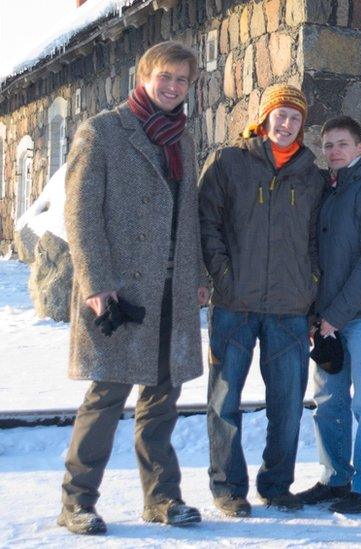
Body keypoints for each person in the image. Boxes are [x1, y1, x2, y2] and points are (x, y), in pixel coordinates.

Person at [60, 40, 206, 535]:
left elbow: (187, 217)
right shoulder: (101, 131)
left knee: (162, 398)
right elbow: (79, 215)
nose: (172, 87)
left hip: (173, 289)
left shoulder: (182, 138)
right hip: (122, 292)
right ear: (143, 77)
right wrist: (97, 283)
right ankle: (76, 501)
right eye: (164, 76)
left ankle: (162, 499)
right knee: (106, 396)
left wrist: (197, 279)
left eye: (182, 80)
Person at [199, 83, 324, 516]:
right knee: (225, 401)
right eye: (280, 115)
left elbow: (316, 241)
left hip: (290, 309)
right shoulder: (229, 163)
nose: (286, 124)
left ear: (302, 126)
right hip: (235, 304)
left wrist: (311, 289)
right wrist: (223, 277)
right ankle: (228, 488)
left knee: (287, 405)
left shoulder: (312, 175)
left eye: (295, 118)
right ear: (264, 117)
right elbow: (207, 224)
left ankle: (276, 484)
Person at [298, 116, 361, 514]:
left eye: (343, 144)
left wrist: (336, 315)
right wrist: (317, 314)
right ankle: (334, 477)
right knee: (328, 401)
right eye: (327, 145)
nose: (334, 151)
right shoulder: (331, 191)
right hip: (329, 318)